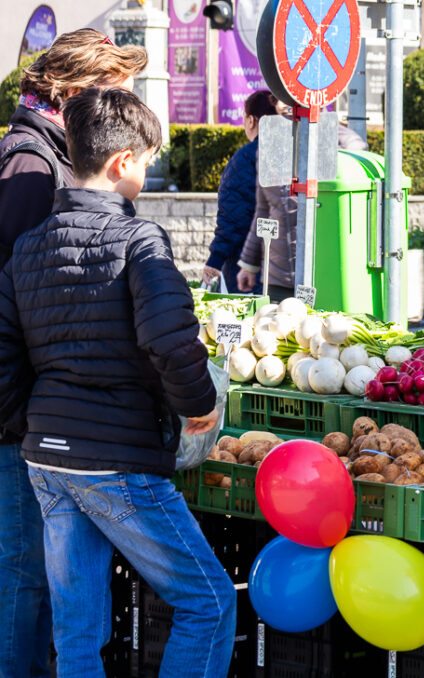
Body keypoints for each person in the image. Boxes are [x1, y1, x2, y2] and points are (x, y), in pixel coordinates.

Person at [0, 87, 236, 678]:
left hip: (47, 459)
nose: (149, 172)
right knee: (209, 602)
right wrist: (200, 408)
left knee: (76, 634)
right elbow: (171, 341)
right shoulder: (138, 241)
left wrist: (33, 422)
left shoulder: (27, 247)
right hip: (116, 461)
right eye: (148, 159)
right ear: (123, 161)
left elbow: (4, 356)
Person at [0, 28, 147, 678]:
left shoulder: (38, 155)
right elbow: (27, 296)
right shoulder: (31, 165)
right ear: (77, 91)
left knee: (39, 578)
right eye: (115, 93)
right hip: (20, 418)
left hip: (33, 412)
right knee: (25, 579)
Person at [236, 109, 368, 300]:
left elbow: (357, 149)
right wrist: (248, 265)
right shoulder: (271, 140)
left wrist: (329, 158)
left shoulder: (330, 133)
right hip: (277, 276)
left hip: (321, 274)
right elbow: (263, 211)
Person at [202, 89, 278, 292]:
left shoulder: (245, 158)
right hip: (286, 266)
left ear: (252, 120)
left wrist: (215, 260)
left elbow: (234, 217)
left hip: (247, 267)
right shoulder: (295, 153)